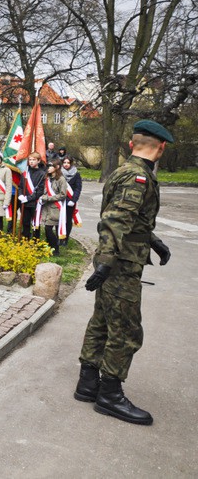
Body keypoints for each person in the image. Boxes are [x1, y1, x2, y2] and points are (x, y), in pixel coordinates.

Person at [76, 119, 174, 426]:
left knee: (103, 321)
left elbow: (130, 218)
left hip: (115, 260)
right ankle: (110, 395)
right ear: (161, 147)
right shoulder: (138, 177)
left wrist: (154, 241)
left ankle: (88, 383)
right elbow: (116, 220)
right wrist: (106, 262)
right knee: (127, 330)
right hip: (120, 263)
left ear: (132, 144)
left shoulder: (124, 170)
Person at [39, 158, 67, 256]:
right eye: (48, 166)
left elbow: (63, 194)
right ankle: (51, 248)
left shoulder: (61, 179)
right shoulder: (47, 178)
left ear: (57, 167)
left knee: (50, 228)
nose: (48, 168)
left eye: (51, 166)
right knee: (47, 229)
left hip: (56, 207)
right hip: (46, 207)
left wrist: (48, 198)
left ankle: (56, 249)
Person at [17, 152, 46, 239]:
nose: (31, 162)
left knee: (35, 223)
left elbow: (40, 191)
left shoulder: (42, 174)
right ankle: (25, 238)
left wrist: (28, 198)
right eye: (30, 160)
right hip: (25, 202)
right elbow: (21, 186)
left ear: (38, 161)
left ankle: (35, 240)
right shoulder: (25, 173)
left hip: (35, 203)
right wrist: (21, 195)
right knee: (25, 222)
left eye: (34, 160)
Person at [62, 155, 82, 246]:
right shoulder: (59, 173)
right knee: (60, 220)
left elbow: (78, 188)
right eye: (64, 162)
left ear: (71, 163)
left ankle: (65, 239)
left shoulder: (76, 174)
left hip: (70, 201)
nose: (66, 164)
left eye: (68, 163)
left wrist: (73, 200)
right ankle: (60, 237)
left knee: (68, 220)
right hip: (60, 200)